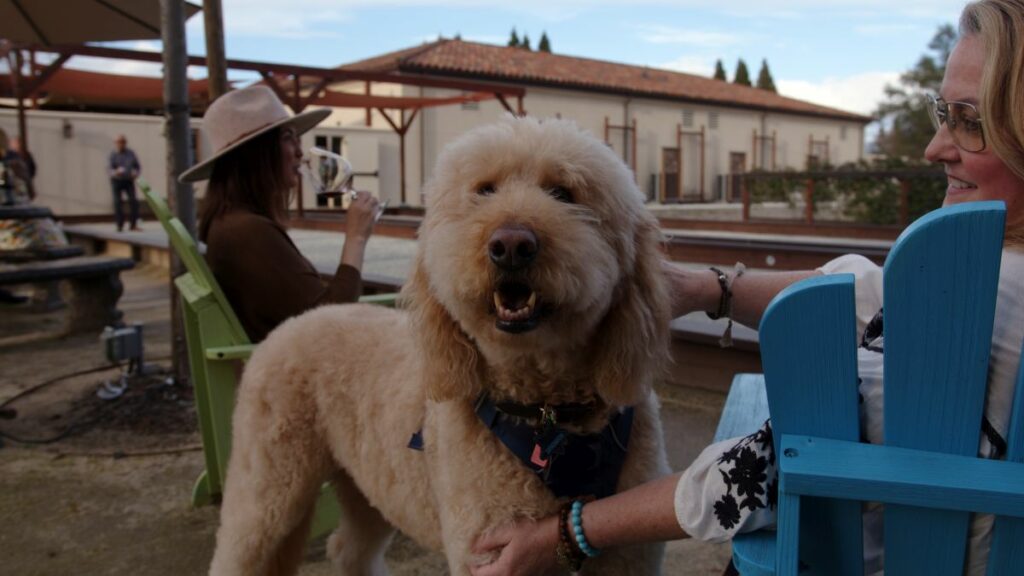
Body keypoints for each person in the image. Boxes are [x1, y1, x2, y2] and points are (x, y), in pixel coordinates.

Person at [469, 1, 1024, 574]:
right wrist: (712, 289)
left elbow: (752, 472)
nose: (936, 147)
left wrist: (563, 532)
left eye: (970, 120)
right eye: (943, 113)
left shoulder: (988, 300)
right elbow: (875, 295)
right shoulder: (989, 276)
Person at [179, 85, 380, 343]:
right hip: (293, 374)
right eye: (287, 137)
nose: (299, 151)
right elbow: (330, 324)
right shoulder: (246, 233)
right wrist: (356, 238)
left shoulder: (231, 222)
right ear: (256, 153)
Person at [109, 134, 141, 231]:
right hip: (117, 181)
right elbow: (109, 169)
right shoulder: (113, 154)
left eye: (123, 142)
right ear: (116, 143)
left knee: (133, 202)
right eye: (119, 142)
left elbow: (137, 166)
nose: (121, 144)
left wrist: (135, 173)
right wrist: (116, 172)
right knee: (118, 203)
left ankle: (133, 225)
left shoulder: (130, 153)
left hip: (128, 180)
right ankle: (119, 225)